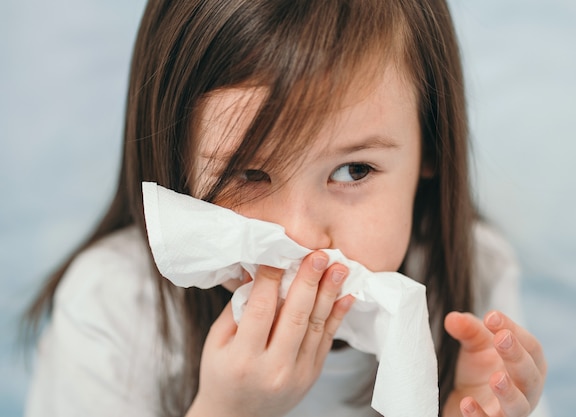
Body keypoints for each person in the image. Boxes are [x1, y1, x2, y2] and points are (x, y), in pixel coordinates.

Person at [24, 1, 548, 416]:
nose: (300, 236)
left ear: (430, 147)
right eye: (249, 175)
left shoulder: (474, 281)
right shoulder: (113, 306)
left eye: (354, 171)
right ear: (174, 163)